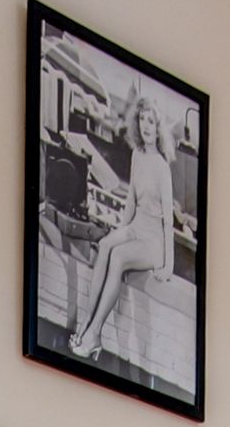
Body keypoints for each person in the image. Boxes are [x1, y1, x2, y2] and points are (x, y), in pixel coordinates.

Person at [65, 88, 181, 373]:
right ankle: (86, 322)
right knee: (106, 245)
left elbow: (168, 220)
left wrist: (168, 265)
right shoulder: (137, 155)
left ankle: (94, 335)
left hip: (153, 242)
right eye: (142, 119)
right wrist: (119, 230)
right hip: (135, 226)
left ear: (158, 127)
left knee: (118, 257)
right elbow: (130, 200)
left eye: (151, 121)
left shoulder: (162, 167)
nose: (146, 126)